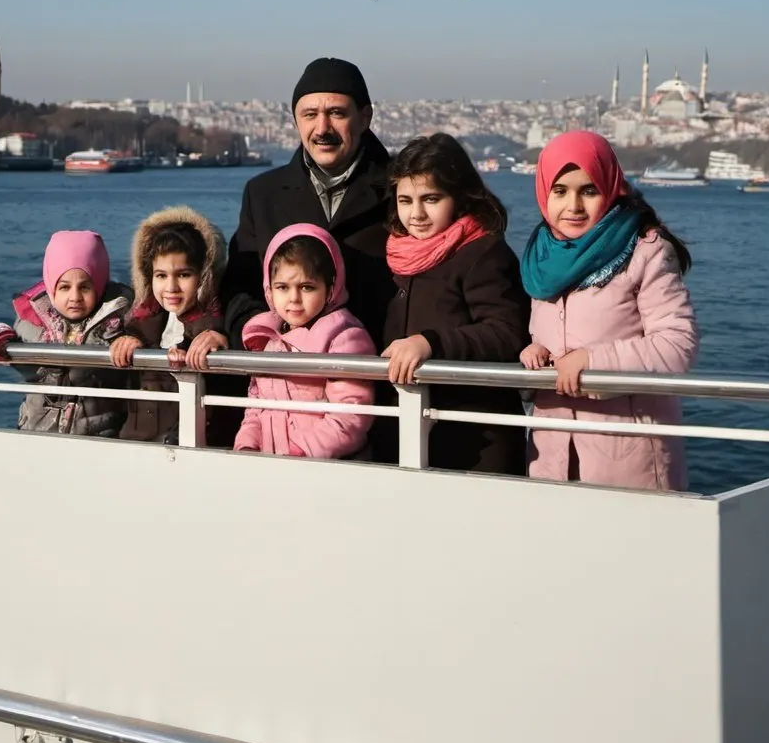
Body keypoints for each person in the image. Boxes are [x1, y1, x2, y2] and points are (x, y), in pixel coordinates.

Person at [519, 130, 698, 490]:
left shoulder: (645, 250)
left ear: (610, 187)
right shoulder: (543, 256)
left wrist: (592, 361)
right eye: (560, 191)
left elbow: (678, 345)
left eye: (588, 190)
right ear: (543, 193)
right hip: (551, 457)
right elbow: (556, 331)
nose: (573, 206)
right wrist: (535, 351)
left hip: (629, 461)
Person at [220, 56, 395, 352]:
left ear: (365, 117)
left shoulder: (402, 190)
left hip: (384, 375)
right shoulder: (263, 194)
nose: (322, 128)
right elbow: (239, 287)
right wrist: (263, 337)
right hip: (285, 376)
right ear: (295, 121)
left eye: (337, 113)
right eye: (310, 114)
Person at [380, 134, 530, 473]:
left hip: (475, 440)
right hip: (405, 432)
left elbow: (507, 333)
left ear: (459, 196)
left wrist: (430, 343)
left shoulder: (484, 253)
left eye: (430, 198)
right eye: (405, 200)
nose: (415, 213)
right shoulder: (394, 254)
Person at [233, 223, 376, 458]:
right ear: (269, 290)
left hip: (323, 467)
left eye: (307, 287)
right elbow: (256, 406)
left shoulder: (344, 336)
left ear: (330, 288)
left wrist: (300, 451)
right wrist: (248, 445)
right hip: (272, 464)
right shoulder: (268, 338)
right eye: (282, 287)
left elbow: (350, 414)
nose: (294, 299)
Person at [0, 230, 133, 436]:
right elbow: (19, 358)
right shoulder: (33, 322)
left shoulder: (118, 321)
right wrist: (0, 340)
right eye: (64, 287)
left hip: (97, 437)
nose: (75, 297)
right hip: (37, 431)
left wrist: (128, 341)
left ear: (99, 285)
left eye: (85, 287)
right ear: (51, 287)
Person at [109, 206, 228, 444]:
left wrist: (217, 340)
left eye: (183, 275)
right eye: (161, 275)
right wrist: (127, 339)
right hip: (137, 441)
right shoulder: (141, 322)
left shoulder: (212, 326)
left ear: (204, 276)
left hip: (186, 445)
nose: (171, 287)